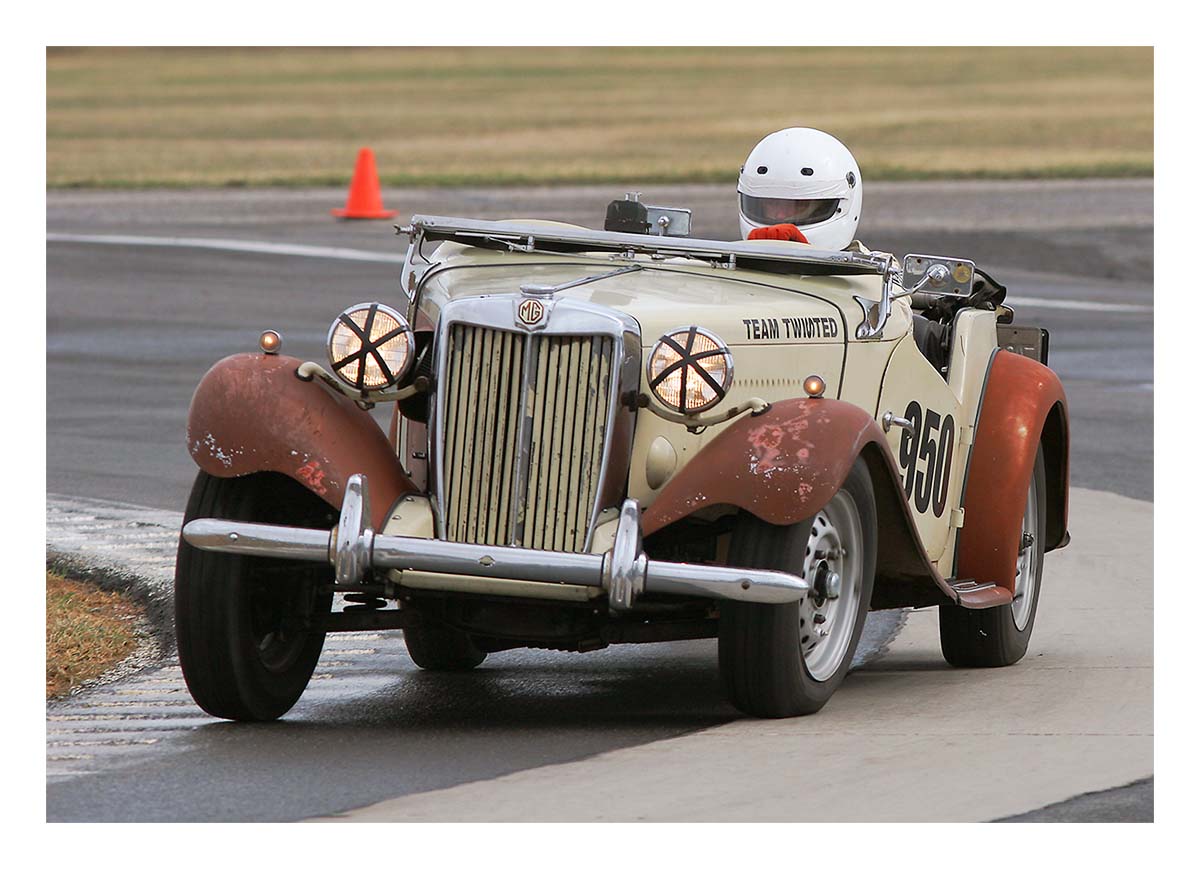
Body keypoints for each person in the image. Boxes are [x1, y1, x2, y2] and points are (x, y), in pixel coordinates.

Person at [737, 127, 947, 368]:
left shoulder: (876, 272)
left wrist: (807, 262)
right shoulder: (719, 265)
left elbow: (895, 323)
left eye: (798, 207)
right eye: (770, 206)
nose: (781, 219)